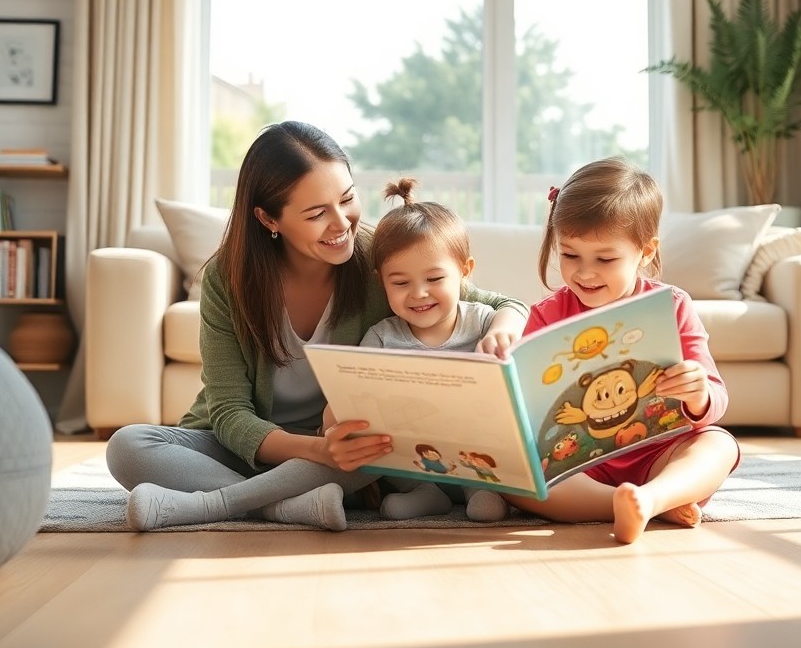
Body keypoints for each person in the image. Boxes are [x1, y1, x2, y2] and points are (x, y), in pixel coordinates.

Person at [105, 121, 527, 531]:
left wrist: (501, 330)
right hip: (266, 447)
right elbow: (230, 413)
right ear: (269, 219)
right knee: (128, 448)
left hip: (349, 454)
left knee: (375, 449)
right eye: (316, 213)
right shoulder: (228, 279)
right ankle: (285, 507)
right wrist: (316, 450)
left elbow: (499, 303)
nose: (342, 223)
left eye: (346, 199)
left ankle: (222, 503)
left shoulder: (380, 260)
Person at [503, 157, 740, 544]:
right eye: (570, 255)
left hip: (656, 457)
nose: (585, 273)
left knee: (719, 444)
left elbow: (714, 395)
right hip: (575, 466)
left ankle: (652, 496)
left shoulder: (673, 305)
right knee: (515, 478)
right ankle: (638, 504)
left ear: (646, 252)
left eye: (605, 259)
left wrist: (698, 394)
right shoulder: (545, 315)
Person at [327, 178, 510, 522]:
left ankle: (480, 490)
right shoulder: (381, 338)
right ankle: (425, 494)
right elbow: (351, 396)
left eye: (435, 279)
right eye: (400, 283)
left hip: (477, 453)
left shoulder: (484, 322)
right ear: (382, 282)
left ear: (464, 272)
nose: (419, 294)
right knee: (385, 453)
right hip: (412, 459)